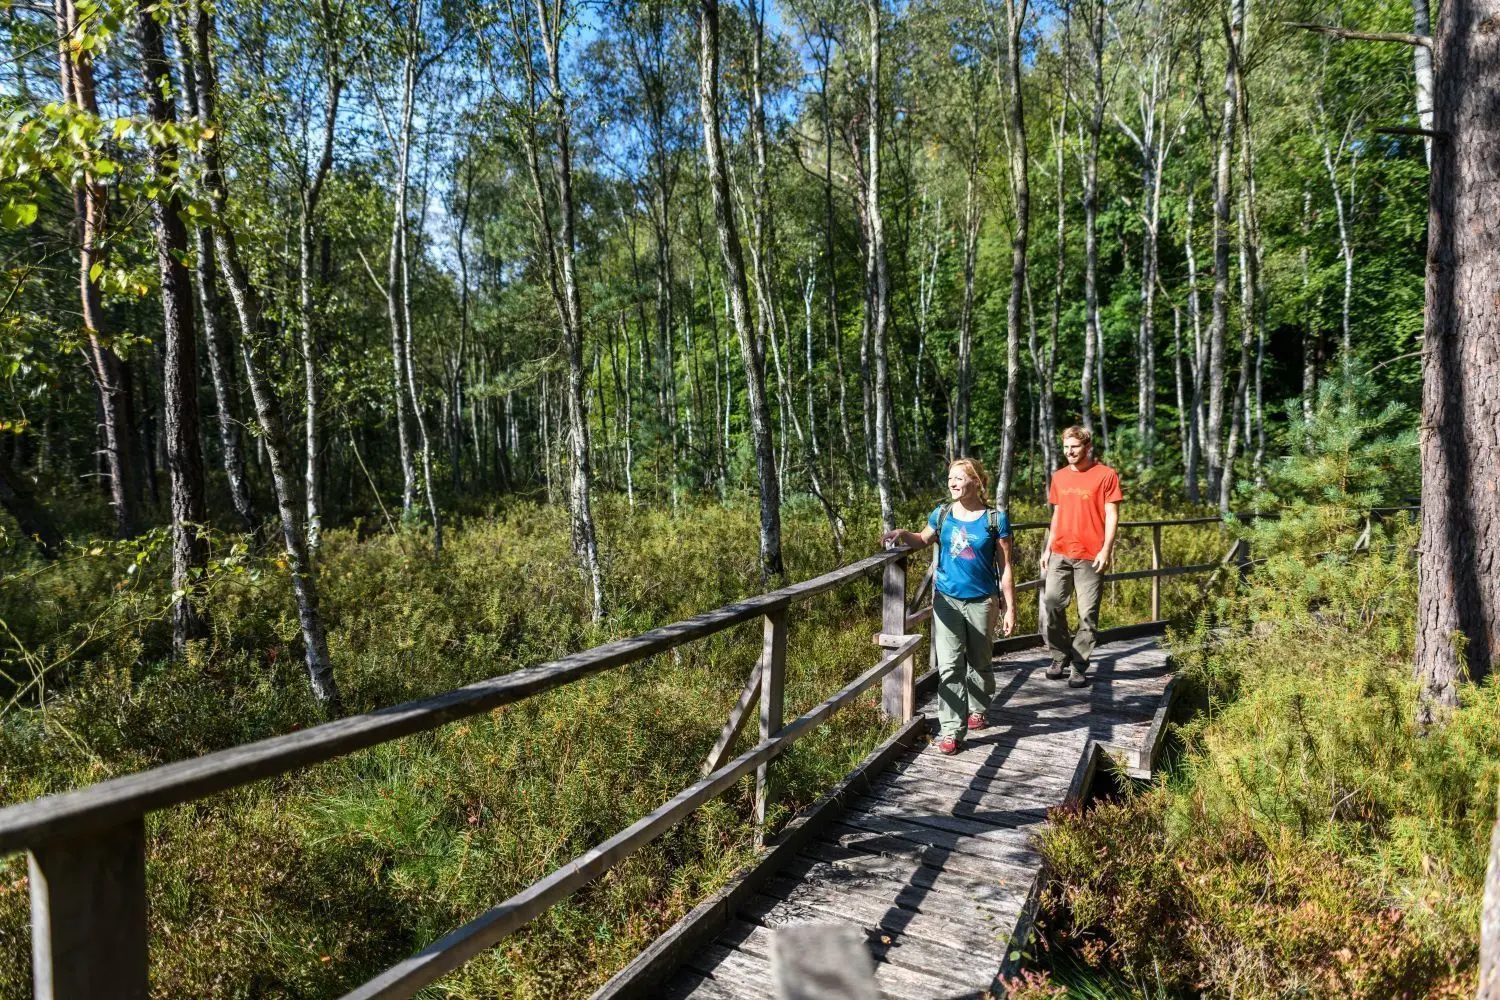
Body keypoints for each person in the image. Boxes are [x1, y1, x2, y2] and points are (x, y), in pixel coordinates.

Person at [883, 458, 1017, 755]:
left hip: (982, 601)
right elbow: (922, 539)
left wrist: (1010, 607)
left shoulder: (995, 520)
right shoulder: (942, 513)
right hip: (946, 600)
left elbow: (1006, 566)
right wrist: (902, 533)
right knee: (949, 666)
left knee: (980, 662)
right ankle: (952, 730)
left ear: (976, 482)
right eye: (950, 479)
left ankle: (979, 708)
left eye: (959, 478)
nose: (952, 483)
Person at [1039, 426, 1122, 687]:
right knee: (1052, 605)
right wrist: (1048, 548)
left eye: (1074, 446)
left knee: (1087, 614)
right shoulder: (1060, 477)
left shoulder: (1106, 475)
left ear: (1087, 447)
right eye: (1066, 447)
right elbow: (1057, 514)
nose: (1069, 452)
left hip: (1090, 555)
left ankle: (1078, 665)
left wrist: (1106, 549)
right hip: (1060, 552)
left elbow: (1112, 515)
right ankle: (1059, 656)